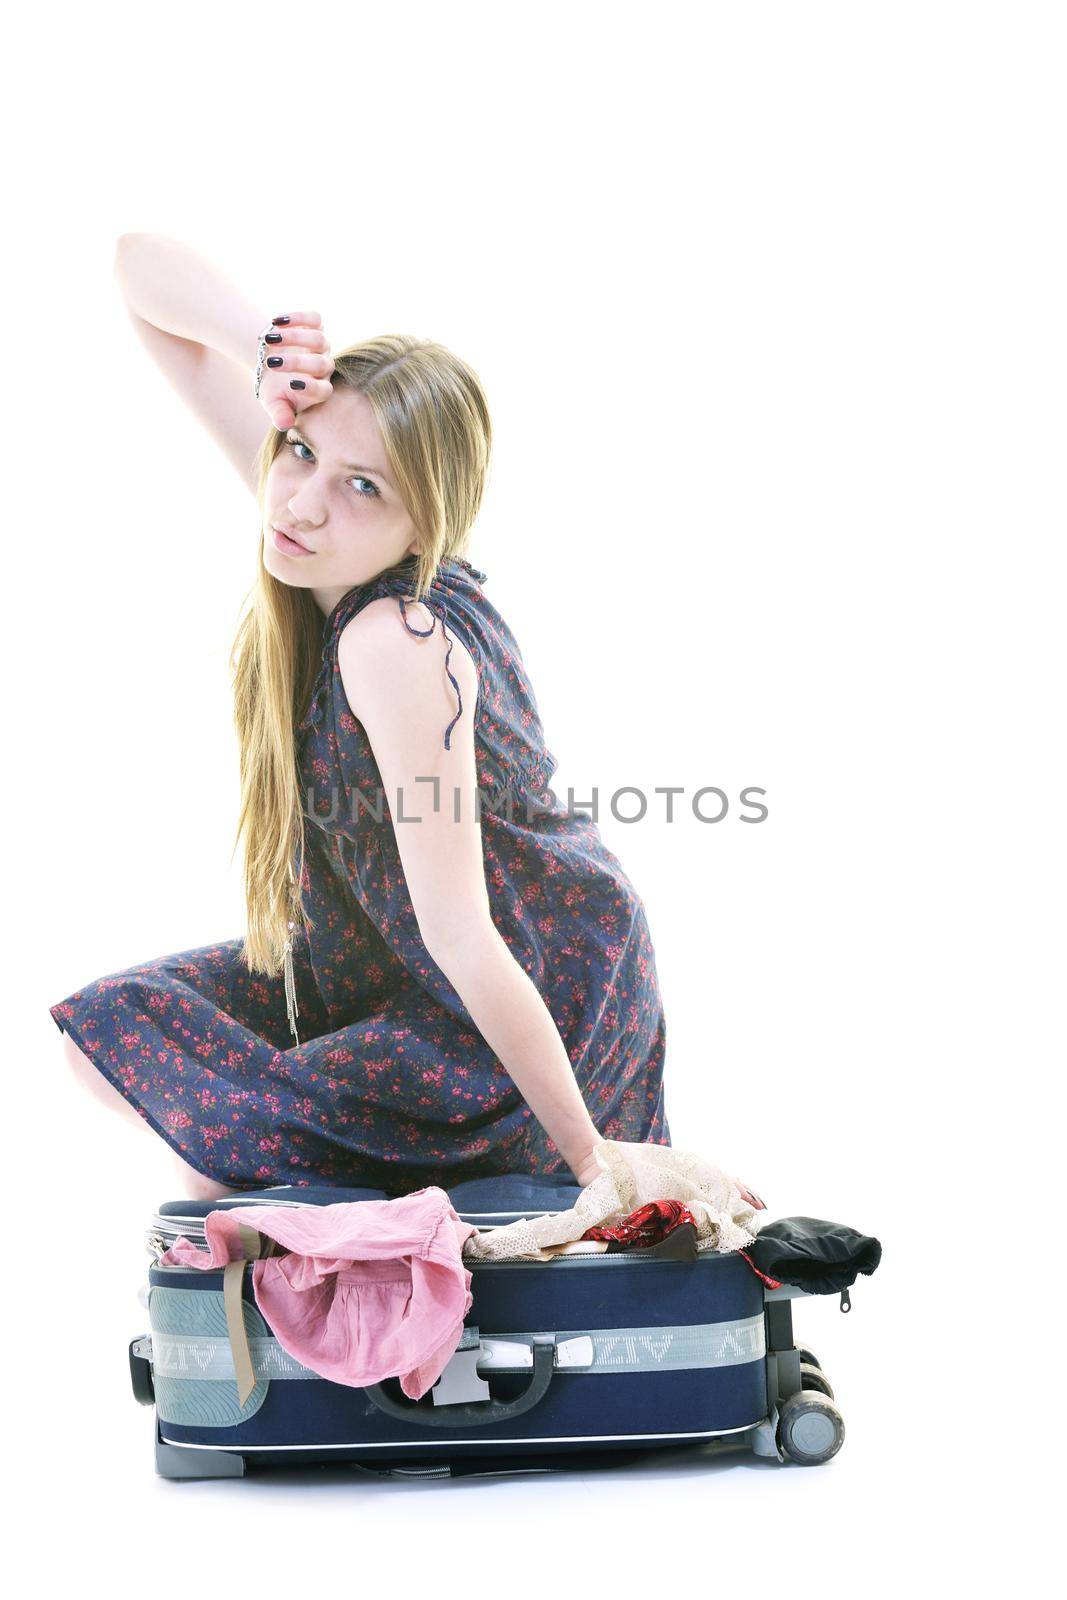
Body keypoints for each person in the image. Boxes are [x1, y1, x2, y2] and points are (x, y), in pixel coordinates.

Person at [51, 232, 766, 1216]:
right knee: (120, 1035)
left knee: (220, 1148)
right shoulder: (321, 544)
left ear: (422, 523)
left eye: (361, 484)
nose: (301, 499)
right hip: (393, 968)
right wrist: (258, 343)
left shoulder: (393, 640)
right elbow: (137, 273)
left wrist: (592, 1159)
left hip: (526, 998)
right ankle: (296, 1210)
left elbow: (465, 934)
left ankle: (389, 1204)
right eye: (300, 450)